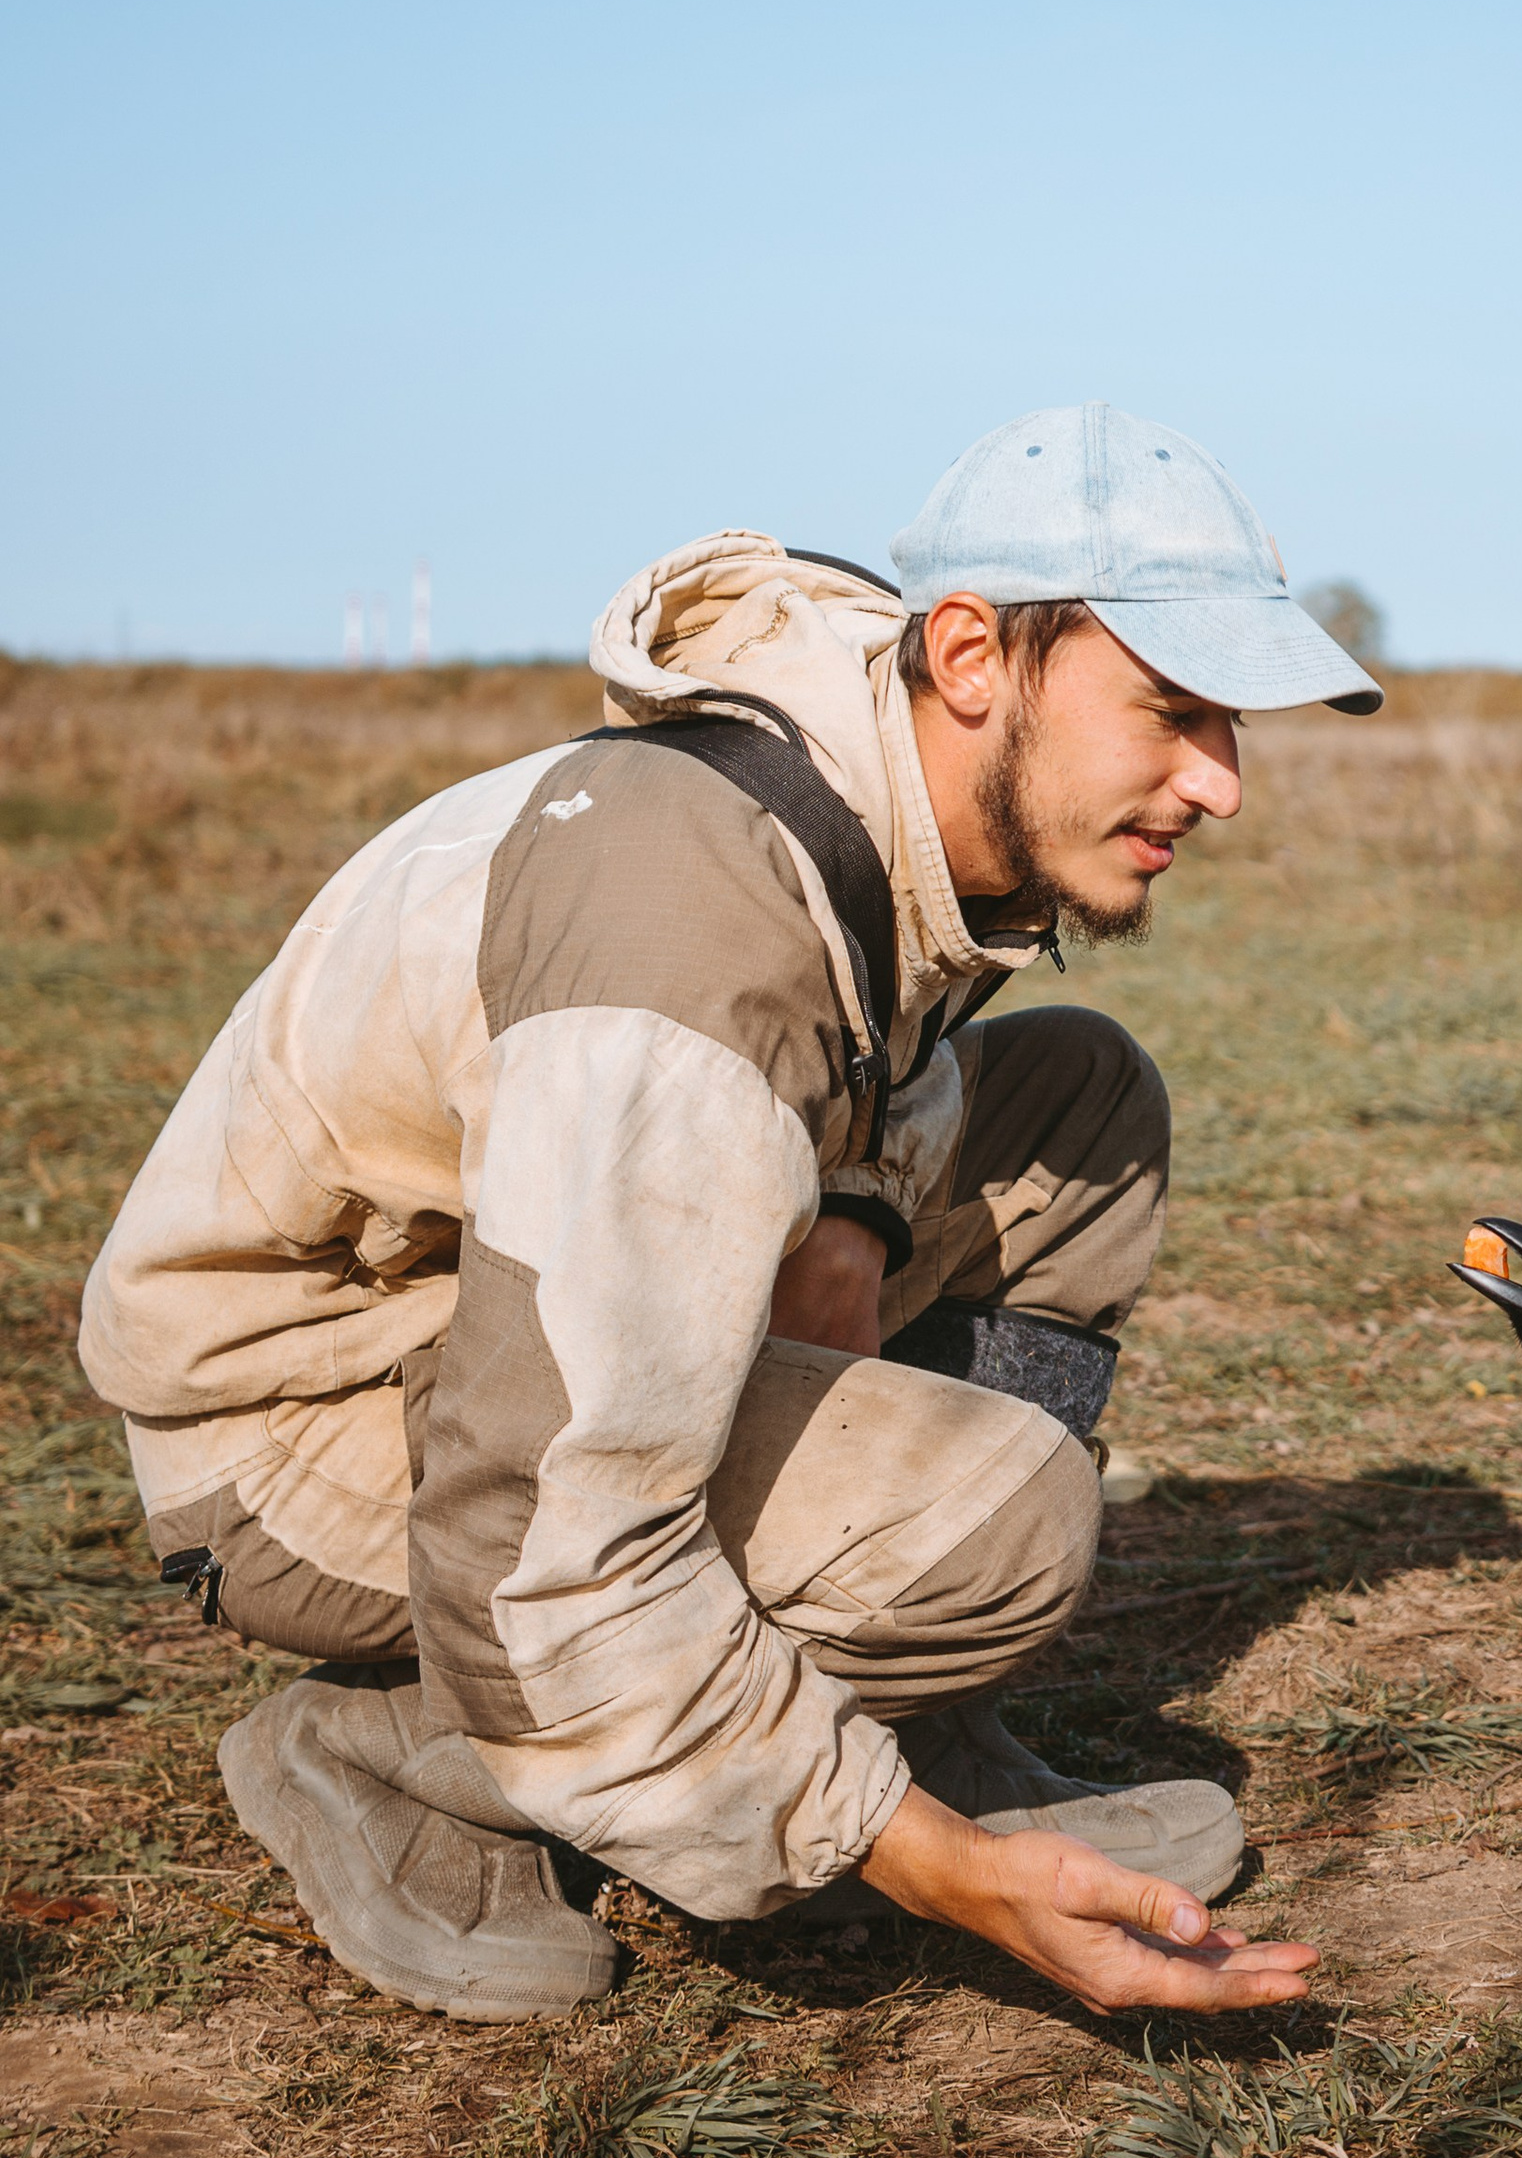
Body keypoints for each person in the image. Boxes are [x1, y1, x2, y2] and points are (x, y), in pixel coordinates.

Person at [78, 406, 1378, 2024]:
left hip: (516, 1290)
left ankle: (914, 1682)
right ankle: (389, 1753)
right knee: (1009, 1518)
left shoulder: (874, 747)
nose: (1223, 784)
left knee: (1083, 1106)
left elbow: (857, 1025)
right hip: (287, 1422)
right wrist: (921, 1857)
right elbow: (529, 1538)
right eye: (1175, 711)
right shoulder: (676, 941)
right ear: (973, 653)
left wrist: (858, 1206)